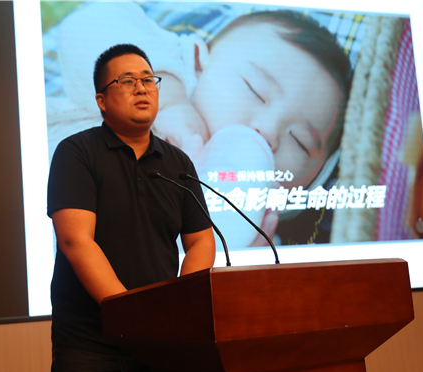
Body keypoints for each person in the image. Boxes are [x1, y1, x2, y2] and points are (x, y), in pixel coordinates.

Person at [49, 4, 353, 246]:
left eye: (300, 141)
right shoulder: (169, 76)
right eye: (255, 89)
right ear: (198, 62)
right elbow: (90, 23)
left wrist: (241, 259)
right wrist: (168, 99)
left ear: (315, 180)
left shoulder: (257, 235)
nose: (268, 131)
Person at [47, 44, 216, 372]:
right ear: (101, 100)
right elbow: (76, 240)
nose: (141, 88)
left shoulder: (179, 163)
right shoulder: (76, 153)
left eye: (148, 80)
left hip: (160, 344)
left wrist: (182, 306)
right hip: (90, 346)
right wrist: (132, 317)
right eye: (127, 81)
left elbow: (201, 240)